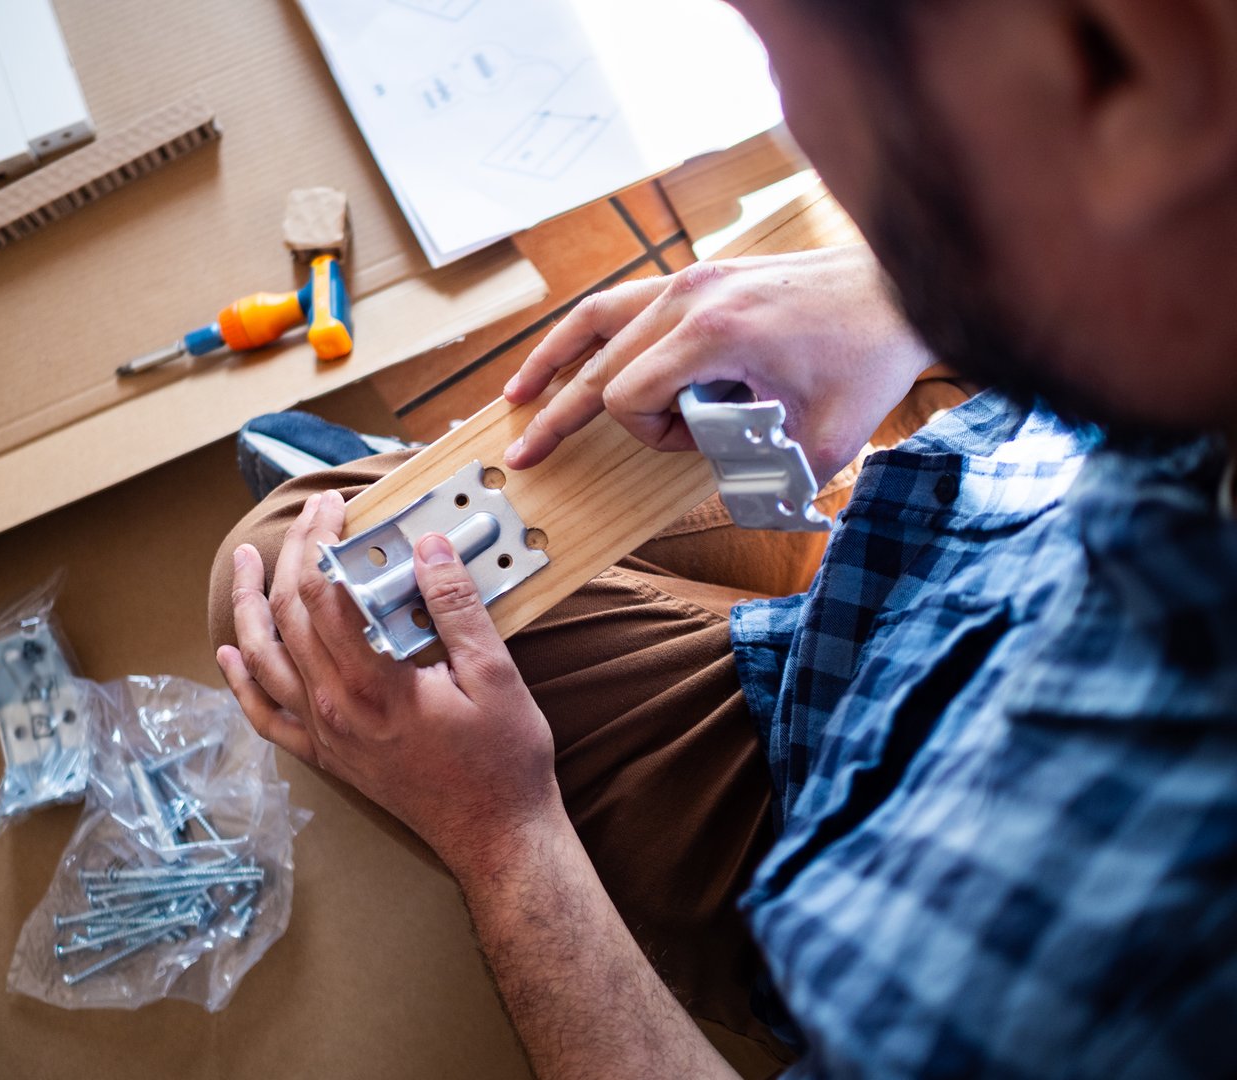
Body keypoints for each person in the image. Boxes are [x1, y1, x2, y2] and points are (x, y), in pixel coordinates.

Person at [209, 0, 1237, 1075]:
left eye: (785, 48)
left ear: (1134, 63)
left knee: (296, 581)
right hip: (938, 580)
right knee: (528, 487)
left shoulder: (1006, 988)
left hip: (848, 795)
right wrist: (917, 297)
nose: (796, 119)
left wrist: (505, 837)